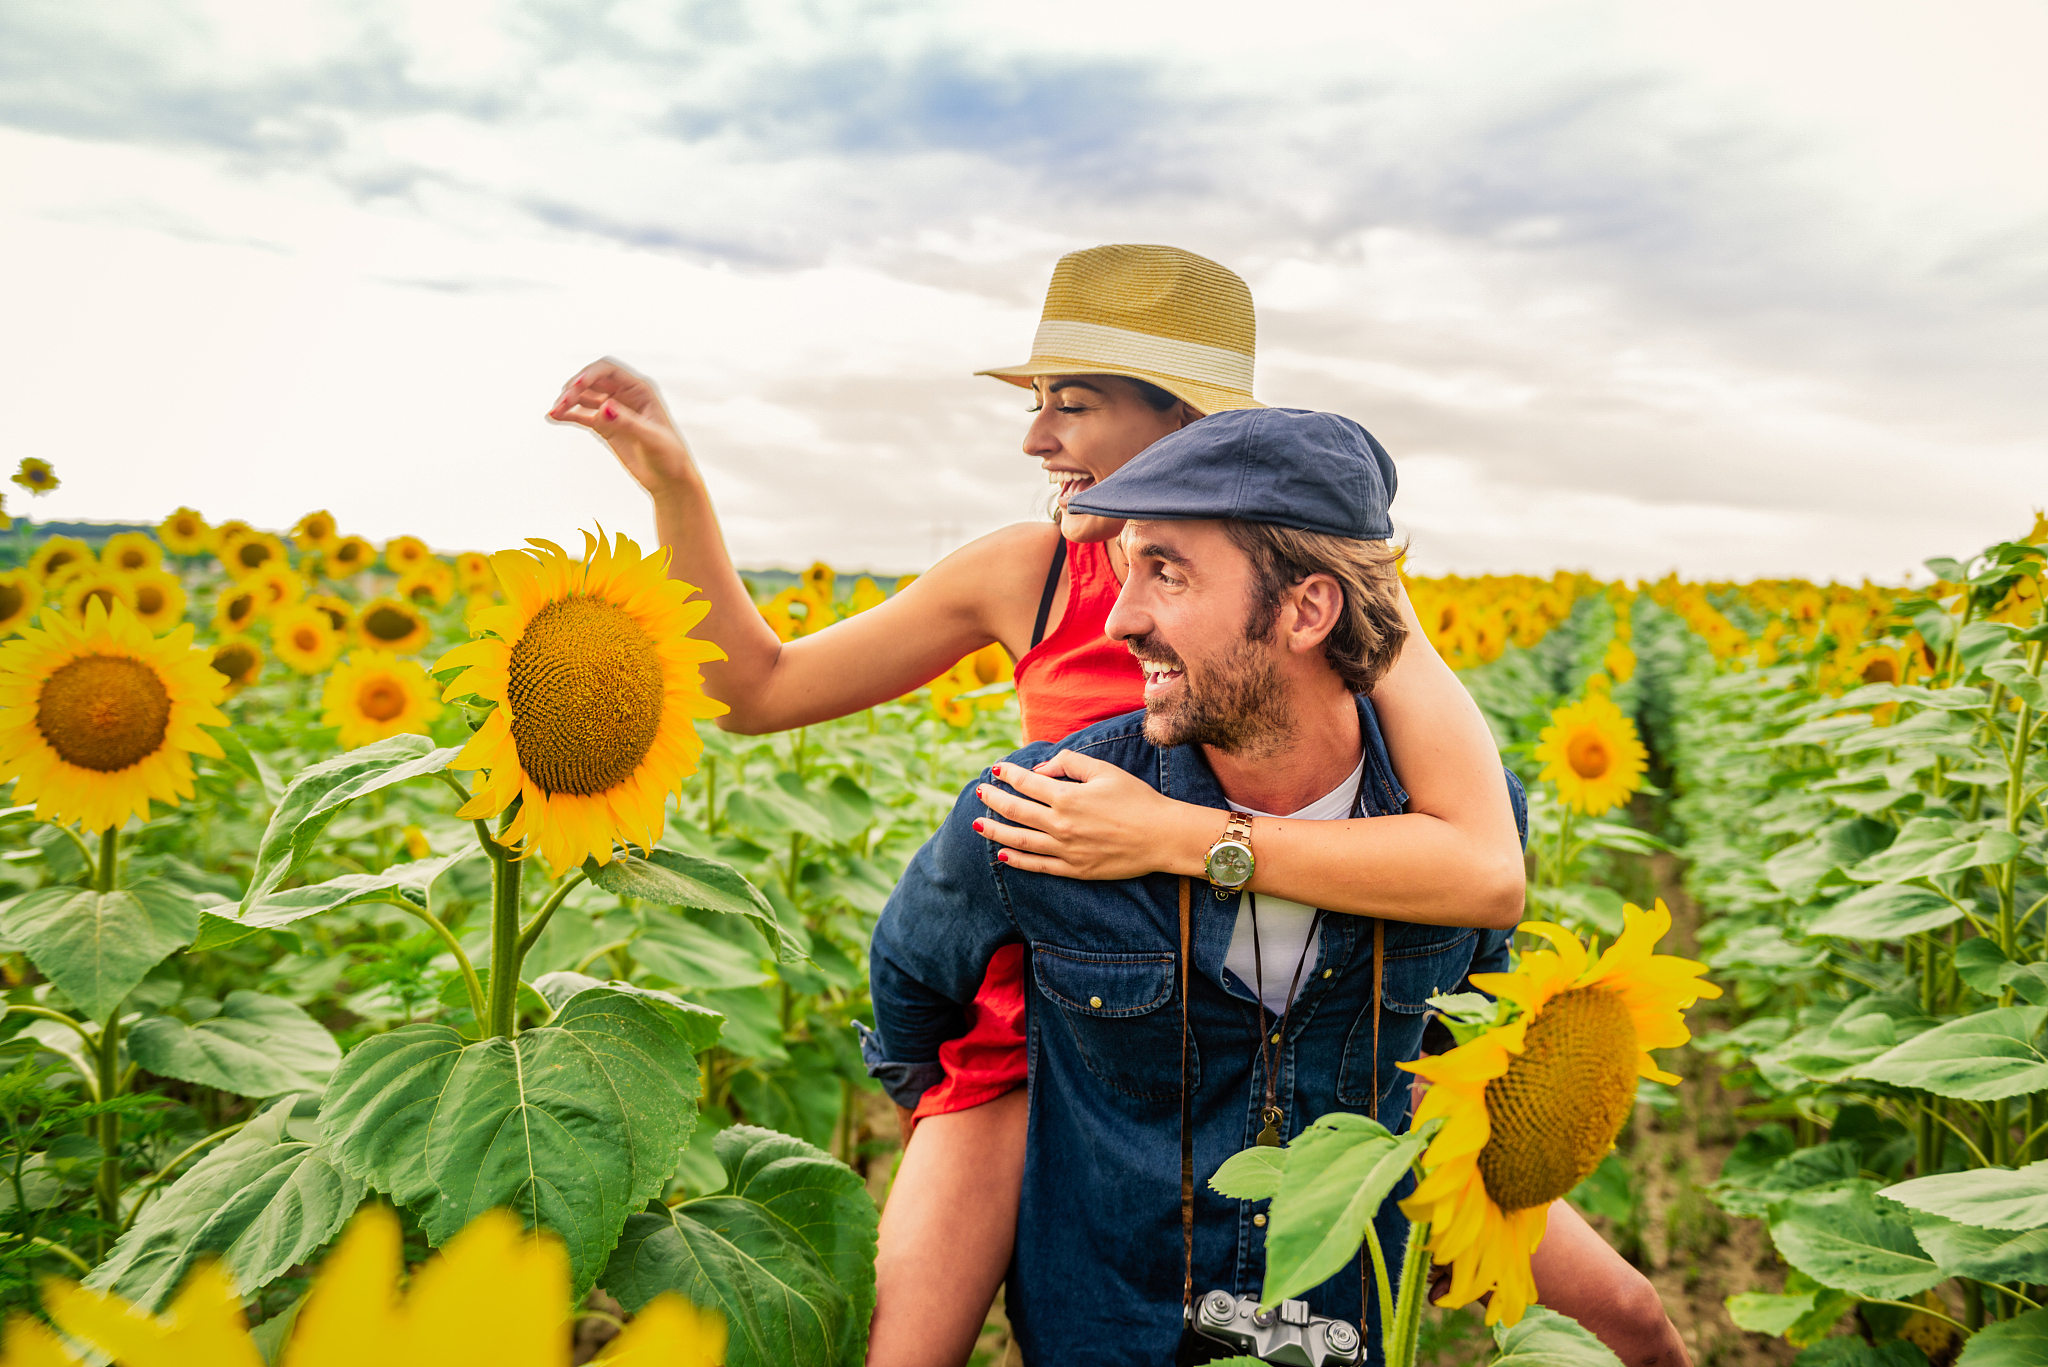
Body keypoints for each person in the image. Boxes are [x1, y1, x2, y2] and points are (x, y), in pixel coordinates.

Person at [548, 245, 1686, 1367]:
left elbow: (1478, 858)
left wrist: (1179, 839)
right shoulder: (1026, 569)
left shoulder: (1321, 597)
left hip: (1290, 1017)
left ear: (1188, 426)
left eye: (1072, 405)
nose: (1036, 438)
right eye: (1041, 404)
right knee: (907, 1344)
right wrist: (676, 487)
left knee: (1621, 1316)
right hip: (1054, 1024)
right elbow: (757, 688)